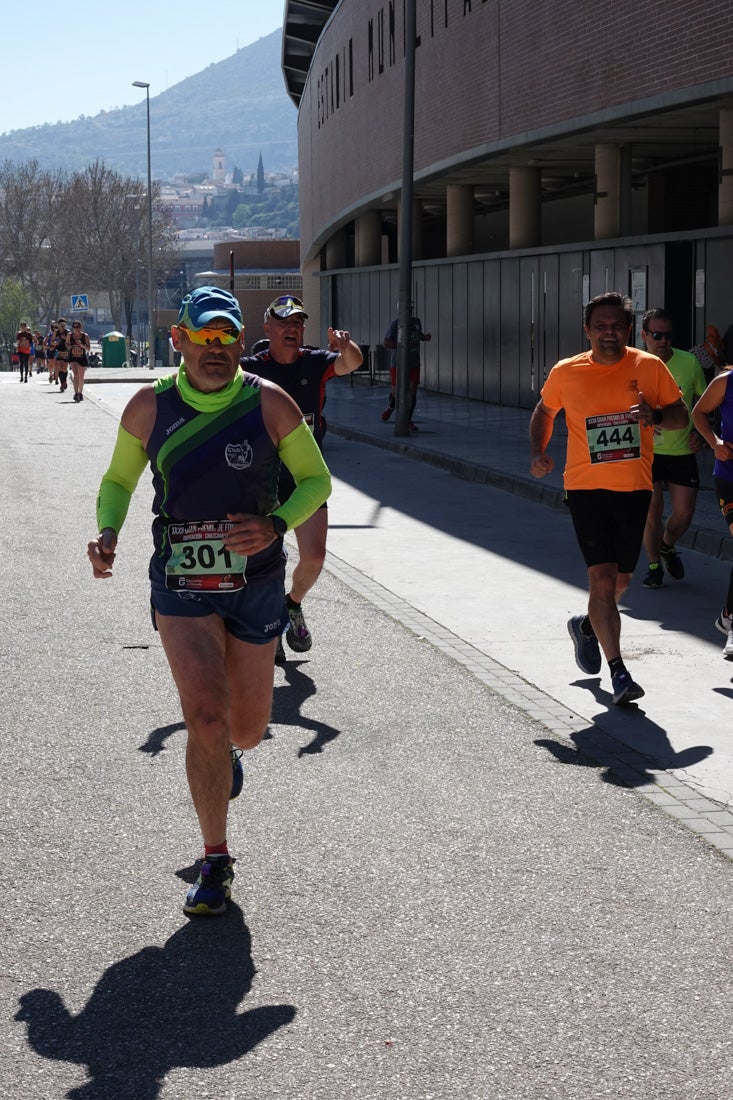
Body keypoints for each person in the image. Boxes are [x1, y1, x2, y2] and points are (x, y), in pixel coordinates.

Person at [87, 287, 331, 916]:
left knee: (246, 731)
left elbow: (316, 480)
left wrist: (275, 524)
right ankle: (215, 859)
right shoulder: (150, 405)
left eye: (228, 337)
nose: (217, 349)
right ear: (180, 339)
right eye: (205, 336)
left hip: (254, 583)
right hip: (181, 581)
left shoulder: (268, 402)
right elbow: (119, 479)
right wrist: (108, 532)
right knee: (204, 715)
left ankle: (226, 757)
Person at [529, 291, 687, 705]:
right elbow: (545, 412)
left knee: (620, 582)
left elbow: (680, 415)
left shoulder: (649, 367)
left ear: (629, 330)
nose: (609, 332)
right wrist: (538, 452)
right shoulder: (567, 371)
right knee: (600, 578)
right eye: (601, 325)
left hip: (635, 488)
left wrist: (654, 417)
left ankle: (586, 626)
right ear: (587, 330)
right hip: (585, 487)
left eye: (617, 325)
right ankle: (619, 671)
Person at [241, 295, 363, 660]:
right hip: (260, 477)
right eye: (284, 324)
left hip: (305, 477)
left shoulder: (316, 361)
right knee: (265, 557)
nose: (292, 329)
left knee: (314, 558)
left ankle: (291, 603)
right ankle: (268, 625)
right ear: (268, 329)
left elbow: (353, 362)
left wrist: (345, 344)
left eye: (298, 324)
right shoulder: (251, 367)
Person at [639, 309, 707, 588]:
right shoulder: (633, 365)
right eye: (656, 335)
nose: (662, 341)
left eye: (667, 335)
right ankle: (654, 566)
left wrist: (702, 437)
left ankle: (667, 545)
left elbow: (706, 406)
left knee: (684, 513)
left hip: (681, 450)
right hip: (647, 452)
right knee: (652, 509)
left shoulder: (690, 363)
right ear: (644, 335)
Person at [691, 369, 733, 659]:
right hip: (730, 478)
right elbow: (698, 413)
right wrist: (714, 442)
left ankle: (728, 615)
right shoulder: (725, 382)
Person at [382, 305, 431, 430]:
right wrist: (402, 346)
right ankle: (391, 406)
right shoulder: (395, 324)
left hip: (414, 363)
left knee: (412, 391)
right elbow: (386, 342)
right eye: (406, 309)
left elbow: (418, 335)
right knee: (397, 392)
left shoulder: (416, 322)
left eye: (410, 309)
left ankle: (408, 420)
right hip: (398, 364)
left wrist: (424, 337)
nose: (408, 312)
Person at [68, 319, 91, 402]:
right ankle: (76, 393)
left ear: (80, 327)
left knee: (81, 377)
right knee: (75, 375)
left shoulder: (85, 336)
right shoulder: (70, 335)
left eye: (78, 327)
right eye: (75, 327)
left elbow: (88, 348)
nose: (76, 329)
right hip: (73, 357)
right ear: (73, 328)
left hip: (82, 358)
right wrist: (69, 346)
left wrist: (81, 345)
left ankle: (80, 393)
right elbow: (67, 344)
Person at [53, 318, 70, 393]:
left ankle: (64, 381)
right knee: (59, 367)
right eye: (60, 325)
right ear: (58, 325)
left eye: (63, 325)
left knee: (64, 368)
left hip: (66, 351)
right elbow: (52, 340)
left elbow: (70, 340)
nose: (62, 326)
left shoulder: (68, 332)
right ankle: (62, 383)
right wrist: (55, 343)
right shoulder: (56, 332)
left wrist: (65, 338)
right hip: (59, 351)